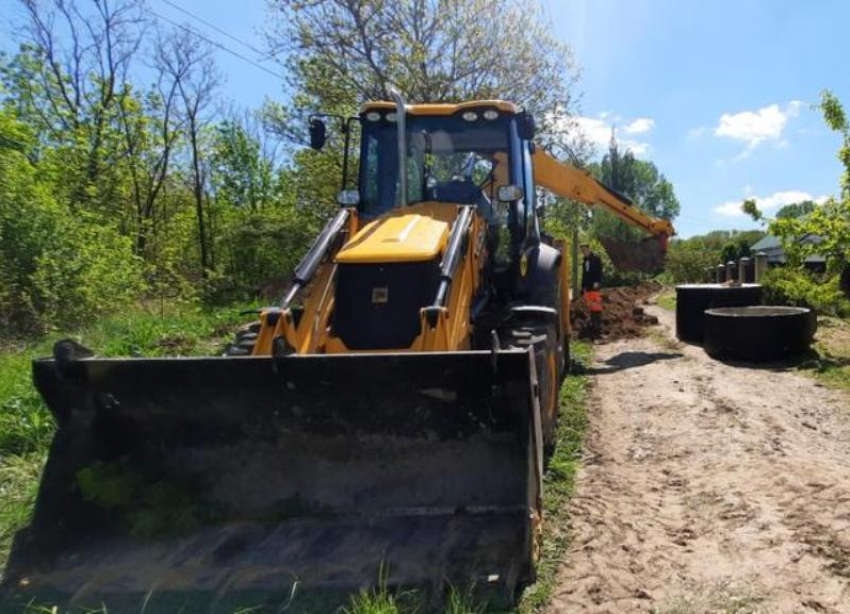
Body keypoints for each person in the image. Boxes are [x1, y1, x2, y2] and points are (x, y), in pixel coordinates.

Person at [580, 243, 603, 338]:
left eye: (585, 250)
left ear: (588, 249)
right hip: (588, 286)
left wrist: (597, 281)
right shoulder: (584, 261)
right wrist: (583, 286)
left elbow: (599, 271)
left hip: (595, 285)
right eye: (582, 251)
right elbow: (584, 275)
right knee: (590, 306)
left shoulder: (596, 259)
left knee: (596, 305)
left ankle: (598, 326)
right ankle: (593, 325)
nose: (583, 252)